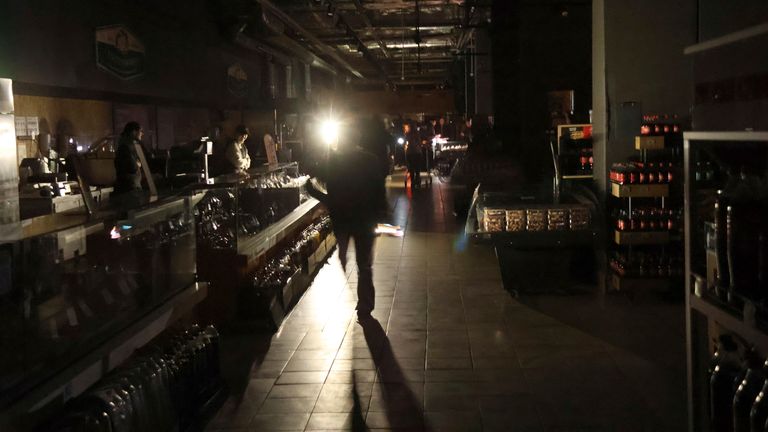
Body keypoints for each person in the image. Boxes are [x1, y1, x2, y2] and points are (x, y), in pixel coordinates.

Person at [306, 123, 387, 320]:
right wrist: (381, 213)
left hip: (343, 219)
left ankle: (358, 293)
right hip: (365, 219)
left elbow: (326, 189)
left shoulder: (334, 161)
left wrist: (313, 191)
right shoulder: (370, 160)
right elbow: (379, 190)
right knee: (364, 263)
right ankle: (365, 304)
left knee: (344, 255)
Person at [114, 121, 144, 196]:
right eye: (140, 131)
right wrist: (138, 164)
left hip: (130, 187)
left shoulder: (126, 145)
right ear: (134, 132)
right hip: (130, 189)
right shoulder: (126, 147)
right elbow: (132, 166)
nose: (142, 134)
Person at [404, 121, 424, 187]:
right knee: (417, 168)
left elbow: (406, 142)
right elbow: (419, 142)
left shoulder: (407, 134)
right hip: (417, 152)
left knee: (411, 167)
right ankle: (418, 180)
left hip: (410, 152)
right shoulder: (417, 133)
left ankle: (412, 181)